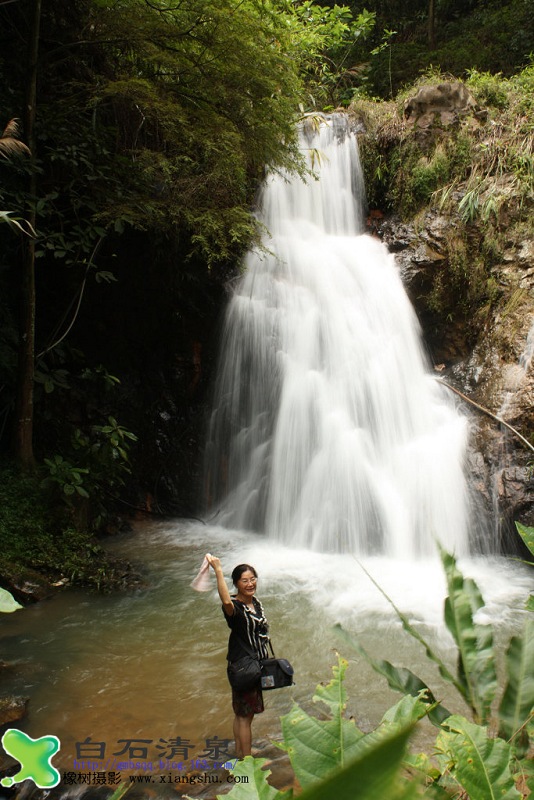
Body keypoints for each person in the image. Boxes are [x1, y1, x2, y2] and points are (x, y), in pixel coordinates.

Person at [206, 555, 269, 758]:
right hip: (244, 668)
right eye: (244, 581)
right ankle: (247, 761)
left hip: (254, 665)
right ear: (236, 584)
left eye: (252, 579)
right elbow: (225, 600)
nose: (250, 584)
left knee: (242, 715)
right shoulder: (236, 609)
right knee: (244, 717)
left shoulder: (255, 604)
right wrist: (217, 570)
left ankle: (240, 752)